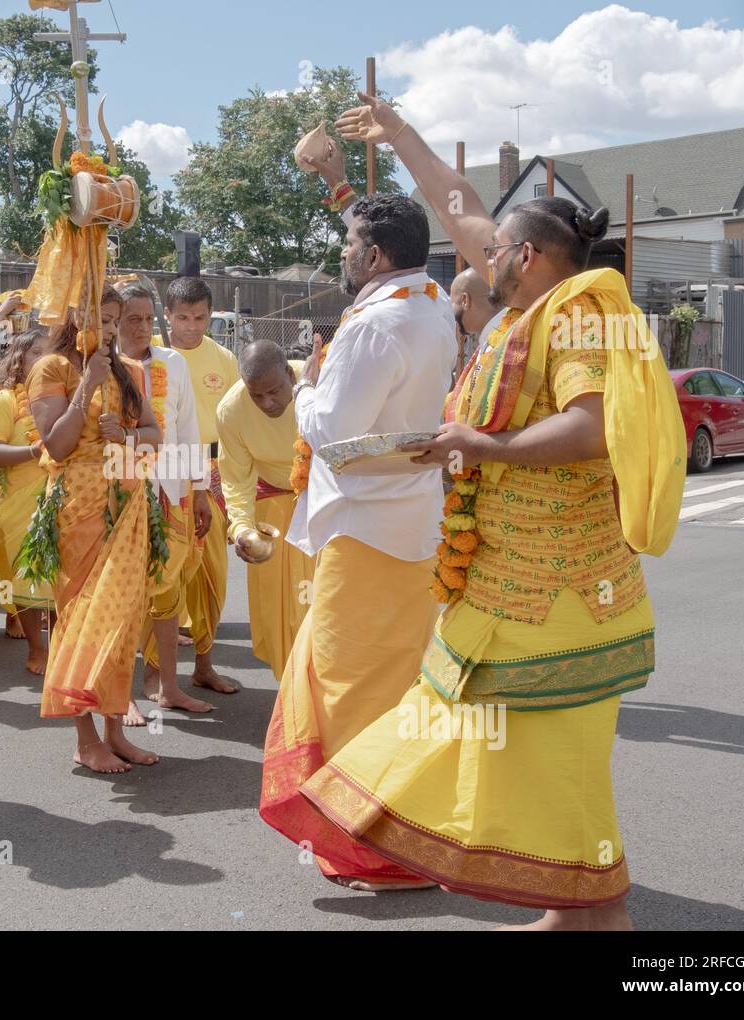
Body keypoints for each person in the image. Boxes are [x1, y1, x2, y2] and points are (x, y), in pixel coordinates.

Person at [278, 95, 687, 928]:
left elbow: (592, 428)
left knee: (547, 752)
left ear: (527, 257)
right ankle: (567, 909)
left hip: (563, 595)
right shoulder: (530, 305)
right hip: (507, 586)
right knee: (504, 742)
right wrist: (399, 137)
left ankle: (594, 915)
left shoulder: (580, 315)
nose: (476, 254)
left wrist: (482, 446)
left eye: (495, 250)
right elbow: (461, 208)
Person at [258, 188, 458, 891]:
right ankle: (399, 840)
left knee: (349, 692)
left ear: (375, 255)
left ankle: (375, 851)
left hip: (367, 529)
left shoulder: (375, 325)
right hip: (410, 525)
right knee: (392, 686)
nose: (341, 254)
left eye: (347, 244)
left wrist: (307, 388)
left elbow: (335, 430)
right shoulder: (434, 305)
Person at [26, 286, 162, 773]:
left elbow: (154, 435)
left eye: (112, 320)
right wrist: (86, 387)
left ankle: (114, 732)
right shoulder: (52, 369)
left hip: (125, 506)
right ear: (71, 320)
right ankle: (84, 739)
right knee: (81, 616)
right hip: (77, 509)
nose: (107, 330)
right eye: (100, 320)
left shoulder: (124, 372)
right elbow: (57, 447)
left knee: (122, 622)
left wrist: (124, 435)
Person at [112, 284, 215, 724]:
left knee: (168, 593)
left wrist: (200, 490)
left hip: (171, 492)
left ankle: (169, 686)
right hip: (119, 495)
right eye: (131, 319)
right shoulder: (103, 366)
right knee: (123, 597)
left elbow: (188, 428)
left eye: (147, 318)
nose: (142, 327)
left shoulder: (173, 363)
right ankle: (122, 695)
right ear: (113, 321)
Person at [156, 276, 241, 694]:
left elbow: (238, 417)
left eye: (201, 317)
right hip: (162, 471)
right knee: (163, 572)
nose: (192, 325)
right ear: (168, 314)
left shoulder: (224, 358)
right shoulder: (150, 353)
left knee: (212, 572)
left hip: (213, 470)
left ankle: (204, 664)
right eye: (183, 317)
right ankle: (155, 674)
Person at [215, 341, 315, 679]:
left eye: (273, 392)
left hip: (325, 505)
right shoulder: (231, 410)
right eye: (256, 396)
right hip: (271, 506)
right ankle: (290, 688)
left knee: (322, 605)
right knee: (278, 611)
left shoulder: (317, 382)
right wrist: (242, 528)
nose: (267, 403)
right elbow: (236, 479)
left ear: (290, 373)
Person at [0, 327, 53, 675]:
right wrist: (33, 450)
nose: (45, 358)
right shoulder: (3, 400)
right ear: (19, 358)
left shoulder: (62, 398)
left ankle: (64, 648)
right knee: (25, 580)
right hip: (19, 503)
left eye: (50, 352)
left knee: (62, 576)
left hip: (64, 498)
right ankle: (36, 649)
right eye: (37, 352)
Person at [449, 267, 499, 382]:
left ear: (465, 300)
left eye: (452, 304)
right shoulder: (494, 336)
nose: (452, 315)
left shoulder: (498, 344)